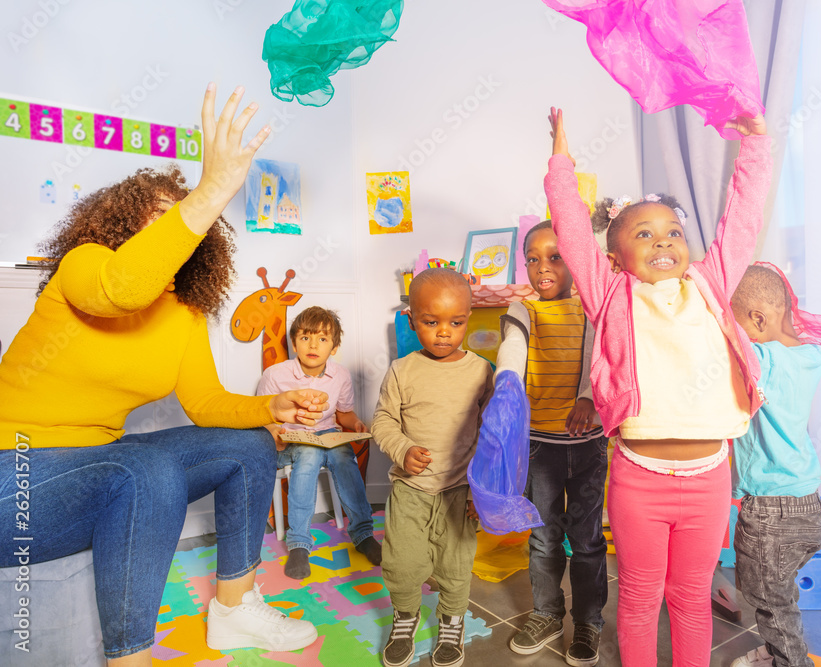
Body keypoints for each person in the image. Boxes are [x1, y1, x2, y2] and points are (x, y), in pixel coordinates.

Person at [0, 85, 327, 665]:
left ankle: (233, 607)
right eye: (161, 221)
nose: (176, 232)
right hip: (14, 475)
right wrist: (210, 190)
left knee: (249, 447)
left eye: (184, 223)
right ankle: (132, 657)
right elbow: (123, 289)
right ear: (121, 225)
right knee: (143, 466)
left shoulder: (184, 312)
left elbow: (205, 403)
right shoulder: (86, 266)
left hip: (97, 464)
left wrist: (269, 411)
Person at [545, 107, 771, 666]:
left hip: (708, 479)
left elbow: (741, 219)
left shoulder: (710, 285)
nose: (663, 241)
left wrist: (756, 146)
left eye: (673, 231)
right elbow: (572, 228)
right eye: (642, 234)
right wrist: (560, 162)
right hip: (638, 480)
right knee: (641, 597)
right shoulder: (611, 294)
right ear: (616, 256)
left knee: (691, 598)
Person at [494, 220, 607, 666]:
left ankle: (589, 621)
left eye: (555, 257)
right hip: (539, 446)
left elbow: (598, 359)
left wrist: (586, 398)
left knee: (586, 539)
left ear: (575, 261)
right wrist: (505, 383)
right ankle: (546, 613)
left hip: (586, 445)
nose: (543, 267)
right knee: (543, 538)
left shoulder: (591, 308)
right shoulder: (523, 310)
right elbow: (512, 350)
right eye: (534, 259)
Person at [371, 268, 493, 667]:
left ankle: (452, 622)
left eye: (455, 323)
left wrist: (483, 489)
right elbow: (383, 421)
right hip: (410, 491)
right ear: (411, 320)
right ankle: (405, 617)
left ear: (468, 319)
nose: (444, 332)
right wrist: (402, 448)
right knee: (402, 563)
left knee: (455, 566)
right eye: (431, 322)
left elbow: (491, 435)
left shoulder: (480, 372)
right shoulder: (402, 371)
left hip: (459, 490)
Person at [728, 264, 821, 667]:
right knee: (782, 592)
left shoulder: (763, 358)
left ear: (757, 320)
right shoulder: (809, 355)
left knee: (769, 602)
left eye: (740, 323)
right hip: (807, 504)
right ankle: (781, 650)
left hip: (771, 511)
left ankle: (790, 660)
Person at [257, 306, 381, 577]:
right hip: (289, 442)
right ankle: (299, 543)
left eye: (323, 339)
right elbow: (263, 418)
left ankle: (363, 535)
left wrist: (356, 424)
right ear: (294, 343)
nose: (313, 345)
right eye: (305, 337)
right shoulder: (275, 375)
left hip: (326, 435)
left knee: (343, 455)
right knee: (310, 454)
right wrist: (274, 433)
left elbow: (344, 414)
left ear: (334, 347)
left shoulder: (341, 375)